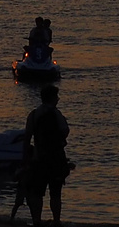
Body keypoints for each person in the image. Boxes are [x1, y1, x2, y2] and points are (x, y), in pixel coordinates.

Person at [21, 85, 72, 226]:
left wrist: (25, 159)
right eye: (56, 96)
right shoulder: (57, 114)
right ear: (52, 98)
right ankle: (56, 221)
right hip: (56, 159)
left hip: (39, 159)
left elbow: (27, 138)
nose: (58, 99)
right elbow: (65, 132)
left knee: (37, 192)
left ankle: (36, 220)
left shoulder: (34, 114)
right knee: (55, 193)